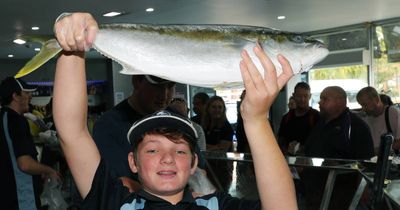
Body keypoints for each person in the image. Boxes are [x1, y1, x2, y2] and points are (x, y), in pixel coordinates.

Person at [52, 12, 297, 210]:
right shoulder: (117, 202)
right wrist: (73, 48)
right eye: (152, 149)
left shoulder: (214, 205)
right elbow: (72, 132)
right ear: (132, 162)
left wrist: (256, 120)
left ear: (193, 162)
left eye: (180, 150)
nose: (167, 158)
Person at [92, 74, 175, 190]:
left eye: (170, 87)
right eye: (158, 87)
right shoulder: (109, 125)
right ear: (137, 81)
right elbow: (120, 183)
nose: (165, 95)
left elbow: (199, 172)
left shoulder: (175, 120)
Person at [303, 86, 374, 210]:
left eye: (325, 99)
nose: (320, 102)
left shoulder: (356, 125)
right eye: (320, 99)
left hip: (341, 192)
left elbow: (366, 161)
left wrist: (363, 189)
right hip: (314, 190)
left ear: (340, 101)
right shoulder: (320, 122)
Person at [0, 77, 61, 210]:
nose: (30, 97)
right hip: (21, 195)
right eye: (27, 93)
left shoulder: (3, 117)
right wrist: (49, 170)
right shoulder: (17, 121)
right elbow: (25, 164)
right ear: (15, 96)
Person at [278, 82, 319, 155]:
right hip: (289, 161)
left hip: (309, 161)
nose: (302, 99)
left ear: (310, 96)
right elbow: (281, 141)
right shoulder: (287, 117)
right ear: (293, 96)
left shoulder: (316, 116)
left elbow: (321, 142)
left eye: (305, 96)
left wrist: (302, 149)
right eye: (299, 96)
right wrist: (286, 151)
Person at [357, 87, 400, 153]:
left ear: (376, 100)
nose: (363, 108)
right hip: (372, 160)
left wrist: (377, 151)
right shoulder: (365, 117)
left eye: (365, 104)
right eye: (361, 105)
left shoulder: (392, 113)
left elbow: (398, 142)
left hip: (390, 159)